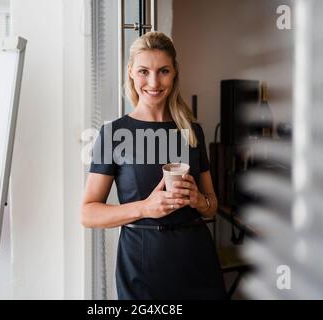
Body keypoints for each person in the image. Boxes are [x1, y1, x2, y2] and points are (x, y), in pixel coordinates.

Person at [81, 31, 226, 300]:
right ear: (131, 72)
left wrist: (198, 200)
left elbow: (212, 205)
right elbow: (88, 214)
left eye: (163, 71)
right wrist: (145, 207)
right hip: (141, 266)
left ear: (175, 73)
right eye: (144, 71)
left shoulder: (191, 131)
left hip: (197, 261)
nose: (154, 82)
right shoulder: (114, 132)